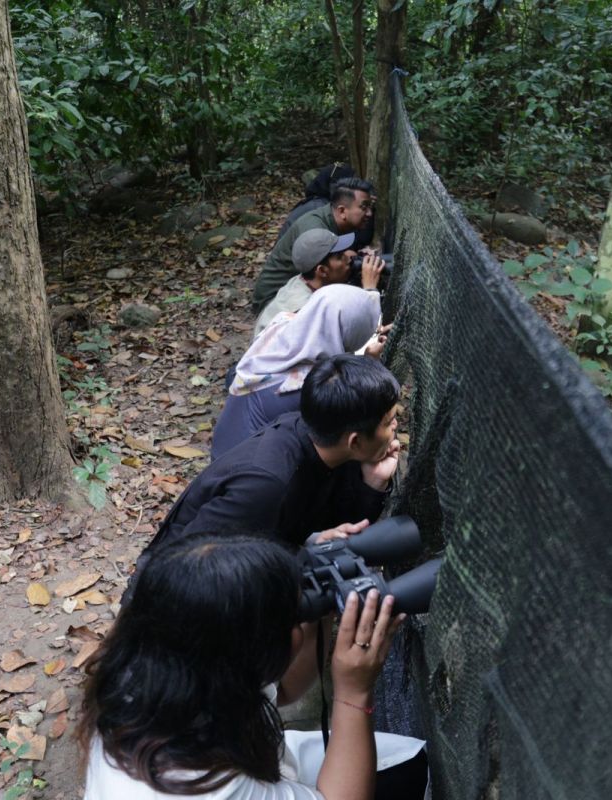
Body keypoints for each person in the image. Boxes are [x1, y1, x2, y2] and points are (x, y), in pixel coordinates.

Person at [81, 535, 426, 800]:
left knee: (410, 758)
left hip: (251, 758)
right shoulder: (204, 788)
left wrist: (318, 604)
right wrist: (354, 691)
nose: (299, 623)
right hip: (226, 779)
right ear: (255, 652)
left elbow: (285, 690)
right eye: (294, 620)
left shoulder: (155, 665)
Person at [123, 354, 402, 600]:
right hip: (172, 596)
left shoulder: (325, 439)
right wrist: (303, 554)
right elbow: (192, 567)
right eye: (389, 422)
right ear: (354, 441)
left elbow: (339, 519)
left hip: (242, 566)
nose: (396, 427)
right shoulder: (265, 483)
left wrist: (372, 484)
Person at [215, 285, 387, 459]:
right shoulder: (316, 382)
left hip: (223, 451)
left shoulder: (283, 324)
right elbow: (362, 412)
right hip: (250, 472)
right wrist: (369, 364)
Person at [253, 178, 375, 311]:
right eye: (364, 207)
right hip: (276, 301)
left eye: (370, 207)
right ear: (342, 211)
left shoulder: (334, 220)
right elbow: (326, 275)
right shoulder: (315, 231)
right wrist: (369, 289)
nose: (369, 213)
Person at [254, 228, 386, 338]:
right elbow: (356, 339)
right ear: (322, 270)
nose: (348, 258)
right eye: (340, 257)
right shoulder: (306, 311)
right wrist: (370, 289)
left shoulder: (303, 280)